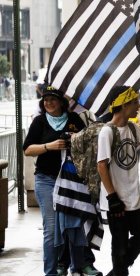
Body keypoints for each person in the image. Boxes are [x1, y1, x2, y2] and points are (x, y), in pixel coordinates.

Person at [97, 86, 140, 276]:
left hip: (135, 197)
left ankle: (117, 271)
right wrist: (112, 198)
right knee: (119, 246)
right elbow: (101, 166)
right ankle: (119, 271)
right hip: (116, 200)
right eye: (134, 102)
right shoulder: (107, 132)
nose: (138, 106)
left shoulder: (133, 128)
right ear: (124, 105)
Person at [22, 86, 87, 275]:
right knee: (51, 230)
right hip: (46, 180)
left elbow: (88, 144)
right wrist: (48, 146)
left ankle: (78, 268)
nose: (48, 103)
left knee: (74, 225)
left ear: (61, 102)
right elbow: (27, 149)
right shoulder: (39, 121)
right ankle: (50, 272)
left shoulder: (74, 119)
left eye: (53, 99)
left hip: (72, 181)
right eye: (45, 100)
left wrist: (76, 139)